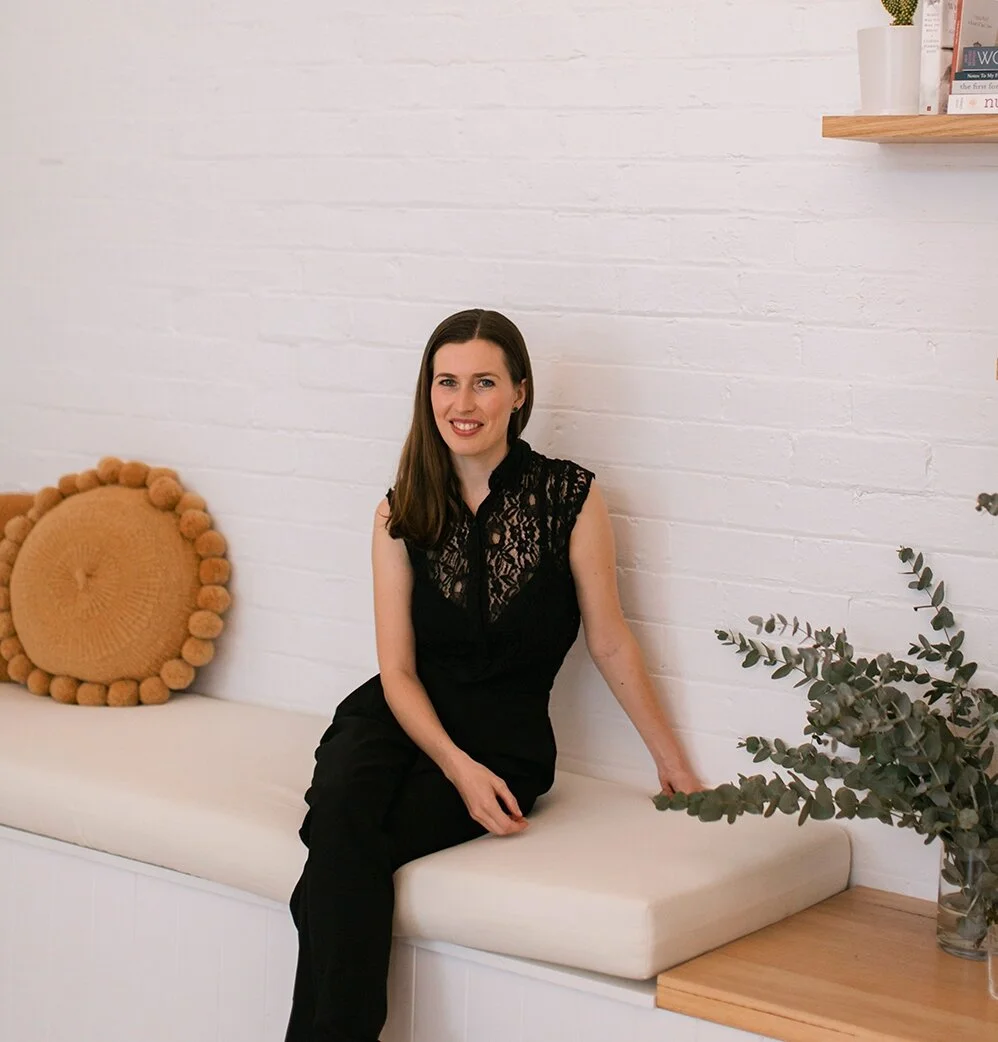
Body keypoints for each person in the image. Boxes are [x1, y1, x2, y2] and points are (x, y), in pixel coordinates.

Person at [285, 308, 701, 1042]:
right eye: (447, 382)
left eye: (483, 382)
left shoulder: (570, 498)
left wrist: (672, 763)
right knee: (343, 820)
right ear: (428, 393)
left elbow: (610, 641)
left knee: (331, 866)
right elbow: (397, 671)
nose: (463, 402)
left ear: (519, 392)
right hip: (397, 719)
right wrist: (457, 769)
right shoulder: (398, 512)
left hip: (506, 742)